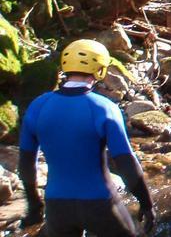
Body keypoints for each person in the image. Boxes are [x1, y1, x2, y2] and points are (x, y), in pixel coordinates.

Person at [18, 39, 155, 236]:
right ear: (100, 69)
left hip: (57, 206)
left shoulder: (38, 106)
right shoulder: (104, 108)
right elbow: (125, 161)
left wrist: (34, 204)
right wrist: (146, 203)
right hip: (100, 204)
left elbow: (26, 162)